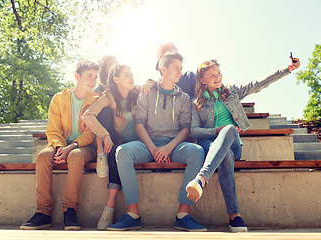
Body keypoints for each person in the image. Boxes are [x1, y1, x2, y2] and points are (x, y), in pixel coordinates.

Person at [186, 56, 300, 232]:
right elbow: (194, 130)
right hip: (209, 145)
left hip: (233, 144)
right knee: (226, 156)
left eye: (219, 73)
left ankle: (201, 179)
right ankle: (235, 217)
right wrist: (216, 131)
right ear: (202, 80)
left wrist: (287, 69)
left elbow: (259, 83)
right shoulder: (197, 103)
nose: (217, 78)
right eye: (211, 75)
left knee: (230, 130)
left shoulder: (231, 93)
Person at [107, 51, 206, 232]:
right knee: (122, 151)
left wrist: (168, 148)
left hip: (174, 145)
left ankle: (183, 214)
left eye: (181, 69)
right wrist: (153, 149)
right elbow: (139, 125)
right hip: (147, 143)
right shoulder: (147, 92)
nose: (180, 72)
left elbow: (186, 129)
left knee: (197, 151)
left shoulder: (184, 98)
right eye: (176, 68)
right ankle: (133, 215)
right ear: (163, 69)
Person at [20, 60, 100, 231]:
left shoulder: (96, 100)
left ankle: (70, 210)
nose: (93, 81)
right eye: (89, 76)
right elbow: (53, 130)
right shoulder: (59, 99)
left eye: (95, 77)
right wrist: (58, 148)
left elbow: (90, 132)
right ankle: (43, 213)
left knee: (75, 156)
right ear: (77, 77)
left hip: (84, 147)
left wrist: (70, 147)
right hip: (60, 144)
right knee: (42, 157)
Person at [82, 64, 140, 230]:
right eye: (126, 75)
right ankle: (110, 205)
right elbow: (88, 116)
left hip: (136, 144)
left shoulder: (136, 94)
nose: (131, 77)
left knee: (119, 152)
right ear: (116, 79)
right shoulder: (109, 96)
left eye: (132, 74)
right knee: (104, 114)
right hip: (115, 143)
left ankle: (110, 204)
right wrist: (105, 135)